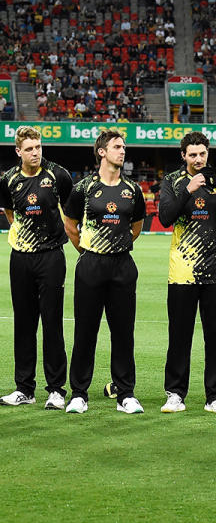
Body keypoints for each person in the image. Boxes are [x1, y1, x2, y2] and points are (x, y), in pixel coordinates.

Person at [62, 130, 146, 414]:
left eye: (124, 147)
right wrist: (88, 252)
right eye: (117, 147)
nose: (123, 151)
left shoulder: (132, 190)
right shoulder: (84, 188)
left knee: (123, 332)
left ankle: (126, 394)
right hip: (91, 265)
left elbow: (136, 226)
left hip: (123, 265)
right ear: (102, 152)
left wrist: (117, 246)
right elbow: (70, 224)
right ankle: (78, 394)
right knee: (86, 331)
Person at [157, 131, 216, 414]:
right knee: (179, 334)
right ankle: (175, 394)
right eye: (193, 154)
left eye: (202, 153)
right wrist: (188, 190)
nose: (198, 159)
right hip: (182, 271)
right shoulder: (172, 182)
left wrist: (213, 246)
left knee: (215, 335)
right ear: (183, 156)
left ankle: (214, 395)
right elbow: (165, 217)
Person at [0, 126, 72, 409]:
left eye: (38, 147)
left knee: (52, 323)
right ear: (18, 151)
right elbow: (10, 212)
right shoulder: (8, 180)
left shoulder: (58, 175)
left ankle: (56, 389)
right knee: (24, 324)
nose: (36, 152)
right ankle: (24, 389)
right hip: (21, 258)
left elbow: (70, 209)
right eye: (29, 148)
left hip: (51, 257)